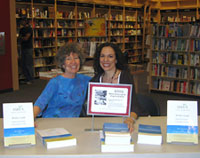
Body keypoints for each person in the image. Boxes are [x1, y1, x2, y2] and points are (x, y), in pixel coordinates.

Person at [88, 42, 148, 131]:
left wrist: (130, 119)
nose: (105, 60)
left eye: (110, 56)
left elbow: (134, 105)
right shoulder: (95, 81)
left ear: (116, 60)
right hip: (102, 125)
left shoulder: (125, 77)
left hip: (123, 123)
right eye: (102, 56)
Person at [33, 42, 91, 118]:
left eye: (76, 58)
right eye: (68, 59)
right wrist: (30, 120)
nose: (73, 62)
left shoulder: (85, 80)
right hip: (52, 122)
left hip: (73, 123)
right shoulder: (55, 82)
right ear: (63, 64)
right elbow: (40, 103)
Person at [19, 18, 34, 84]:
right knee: (23, 64)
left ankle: (31, 79)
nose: (21, 22)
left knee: (29, 64)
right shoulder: (21, 29)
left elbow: (26, 38)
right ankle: (27, 78)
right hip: (23, 48)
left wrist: (22, 38)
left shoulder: (29, 29)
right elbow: (20, 38)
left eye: (22, 21)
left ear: (25, 21)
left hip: (28, 48)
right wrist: (22, 38)